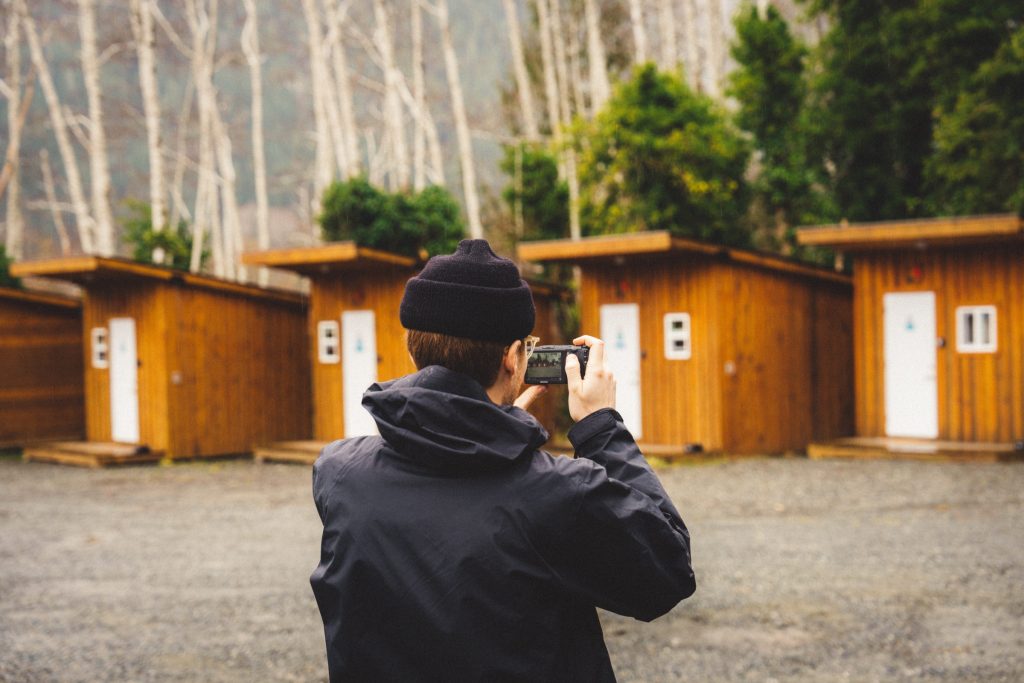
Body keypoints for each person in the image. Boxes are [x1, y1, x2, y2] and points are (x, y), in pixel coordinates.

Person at [310, 239, 696, 682]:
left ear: (413, 348)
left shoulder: (338, 473)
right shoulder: (557, 492)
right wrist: (601, 425)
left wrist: (491, 425)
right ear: (512, 358)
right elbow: (667, 572)